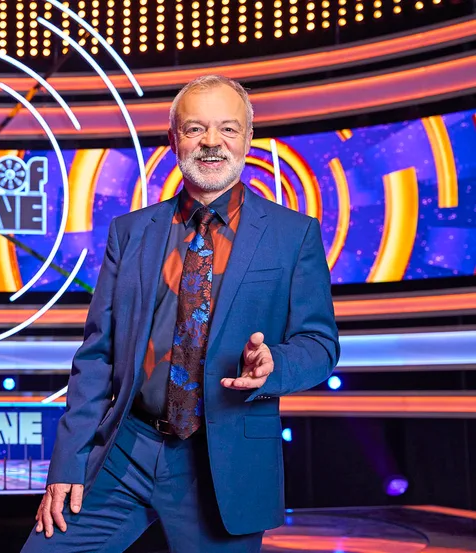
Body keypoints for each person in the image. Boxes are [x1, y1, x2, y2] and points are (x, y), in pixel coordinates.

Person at [20, 74, 340, 553]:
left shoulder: (293, 234)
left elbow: (320, 345)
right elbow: (96, 357)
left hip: (222, 462)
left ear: (248, 139)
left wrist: (275, 364)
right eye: (195, 129)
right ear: (174, 140)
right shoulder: (130, 233)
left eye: (228, 129)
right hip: (124, 450)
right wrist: (68, 463)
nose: (212, 142)